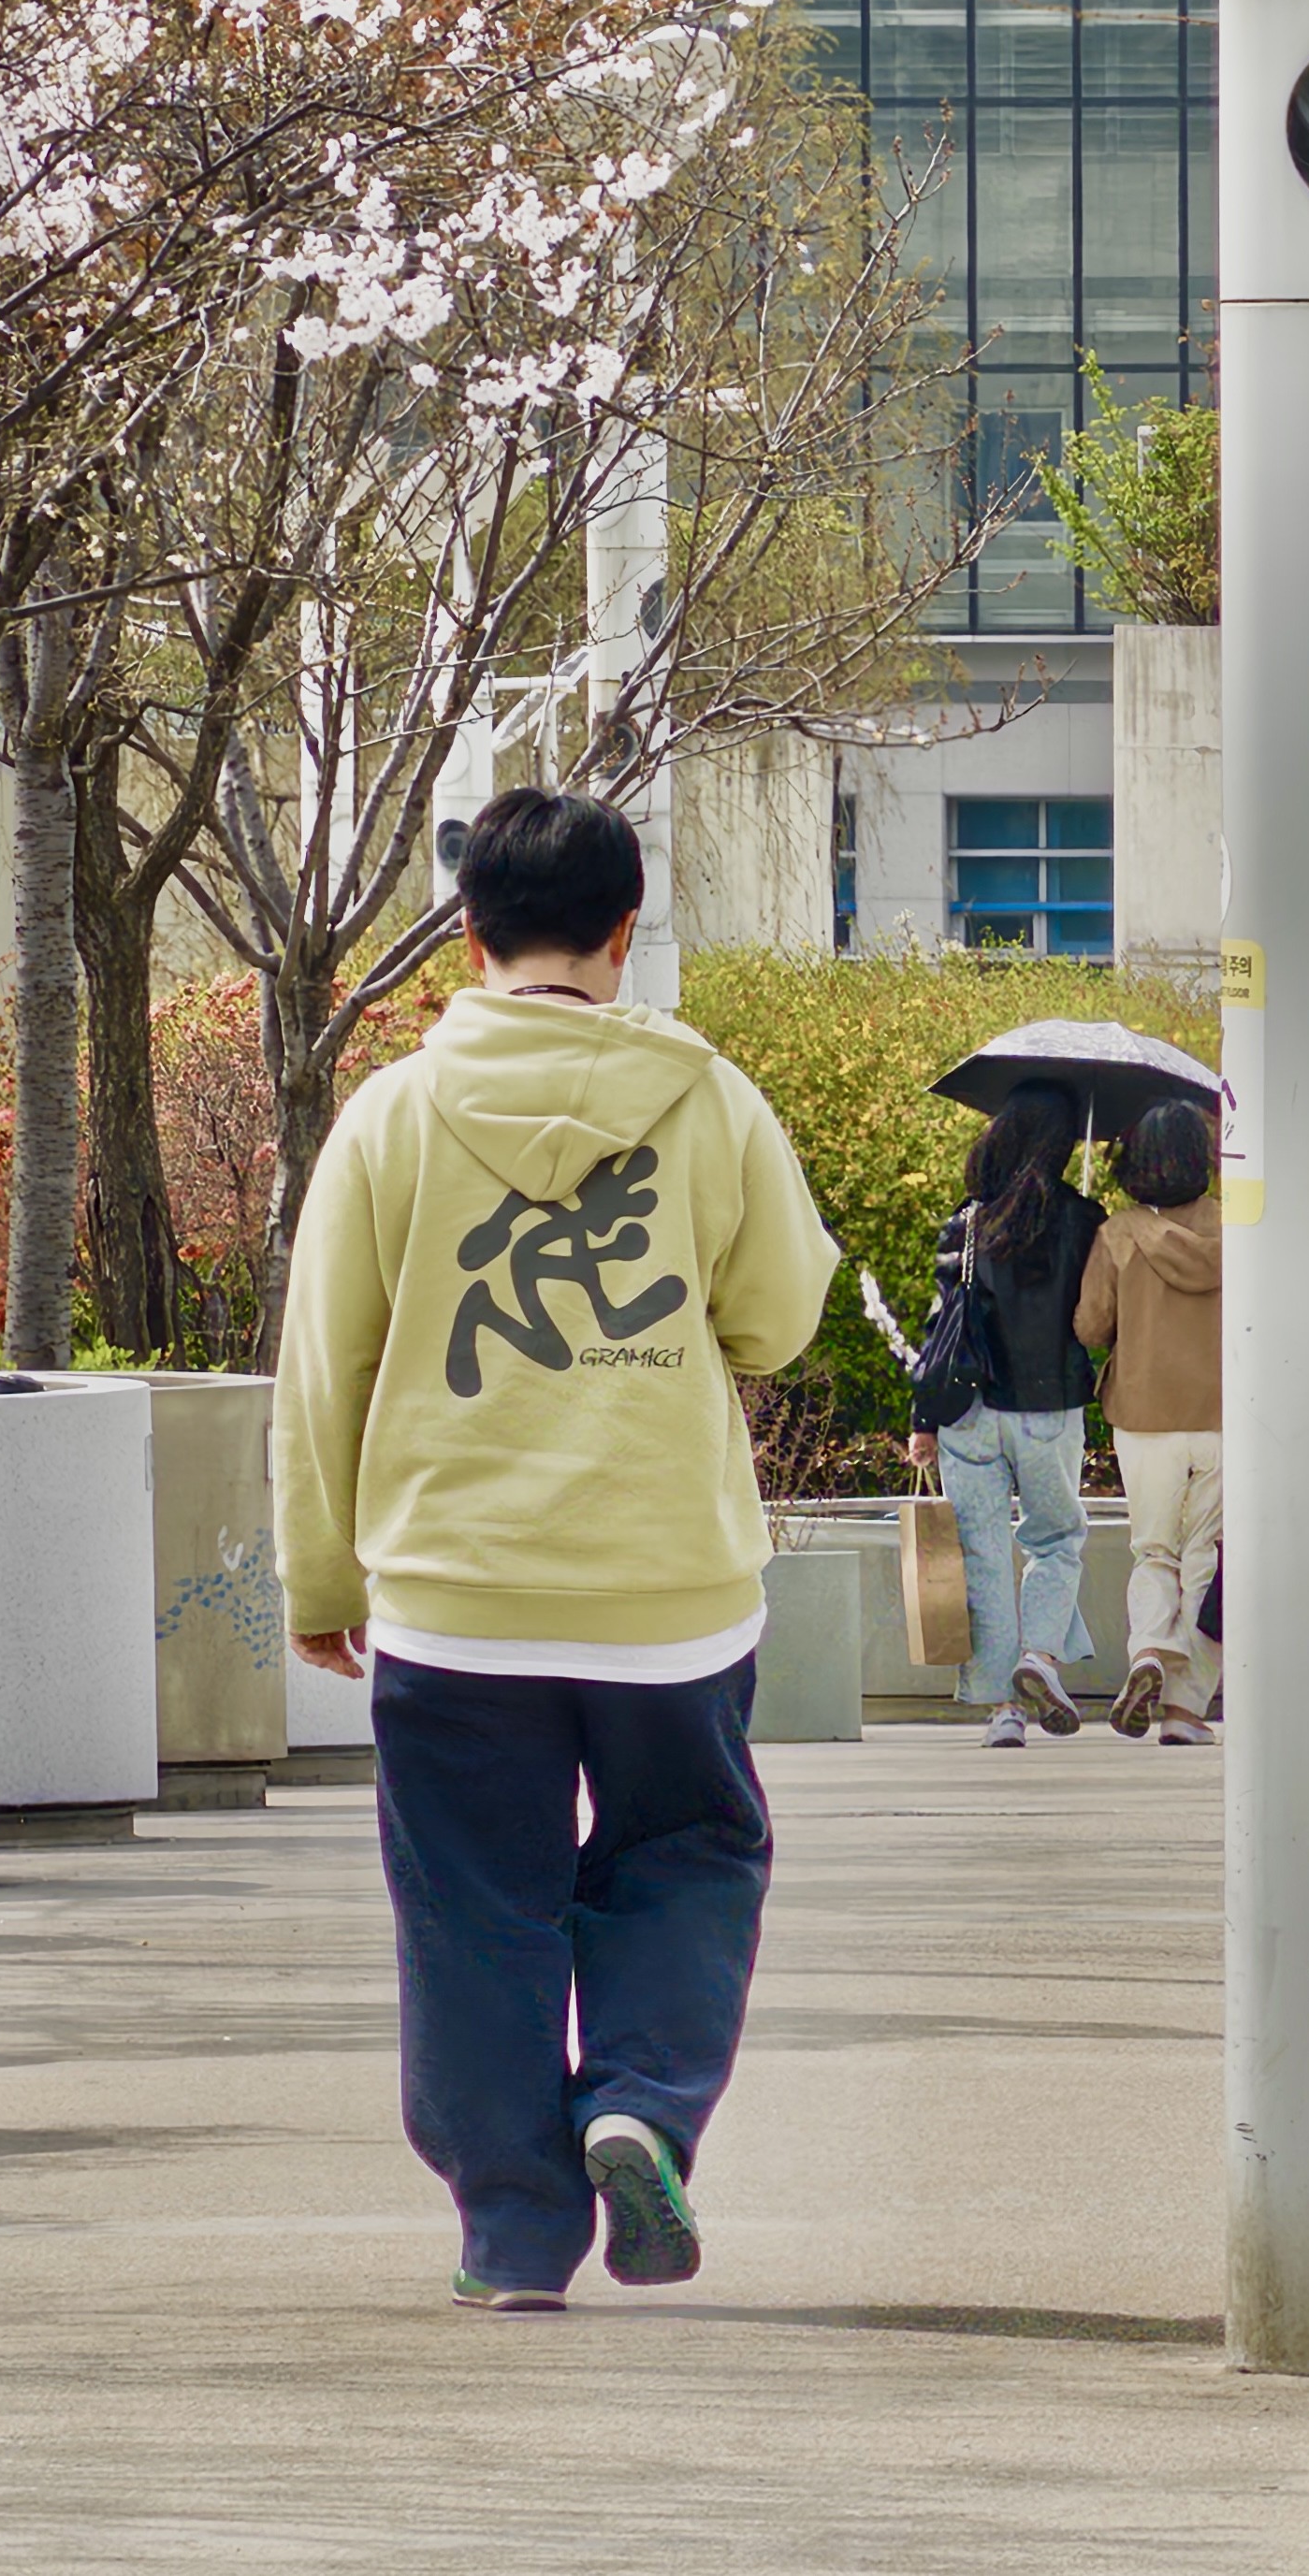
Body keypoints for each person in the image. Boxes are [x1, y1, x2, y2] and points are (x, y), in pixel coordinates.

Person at [274, 786, 836, 2316]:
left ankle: (514, 2233)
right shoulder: (710, 1096)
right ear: (624, 932)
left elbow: (325, 1363)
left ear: (468, 934)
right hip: (669, 1594)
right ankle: (640, 2104)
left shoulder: (391, 1115)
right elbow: (781, 1317)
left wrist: (324, 1581)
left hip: (457, 1593)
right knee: (688, 1852)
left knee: (475, 1900)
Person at [906, 1079, 1102, 1746]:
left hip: (968, 1411)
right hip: (1047, 1406)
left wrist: (922, 1418)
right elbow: (1095, 1319)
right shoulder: (1083, 1219)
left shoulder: (965, 1221)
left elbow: (942, 1326)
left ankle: (1003, 1713)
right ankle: (1038, 1658)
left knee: (983, 1555)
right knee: (1054, 1540)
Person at [1073, 1098, 1223, 1746]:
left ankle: (1148, 1655)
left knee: (1153, 1549)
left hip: (1143, 1413)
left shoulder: (1118, 1234)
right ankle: (1186, 1712)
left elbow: (1089, 1327)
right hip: (1225, 1417)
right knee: (1209, 1559)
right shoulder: (1241, 1229)